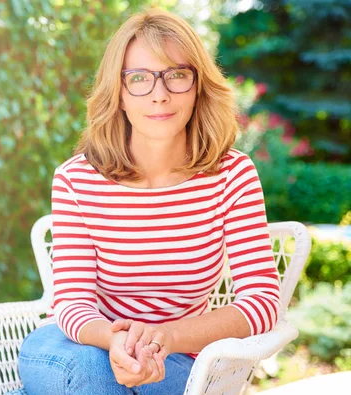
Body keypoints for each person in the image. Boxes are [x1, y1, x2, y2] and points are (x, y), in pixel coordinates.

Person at [16, 7, 281, 395]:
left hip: (175, 359)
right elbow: (72, 304)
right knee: (91, 369)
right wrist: (116, 340)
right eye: (138, 78)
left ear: (197, 86)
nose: (159, 95)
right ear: (119, 93)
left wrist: (164, 338)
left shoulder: (231, 175)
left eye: (176, 75)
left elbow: (261, 302)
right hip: (78, 347)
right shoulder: (76, 179)